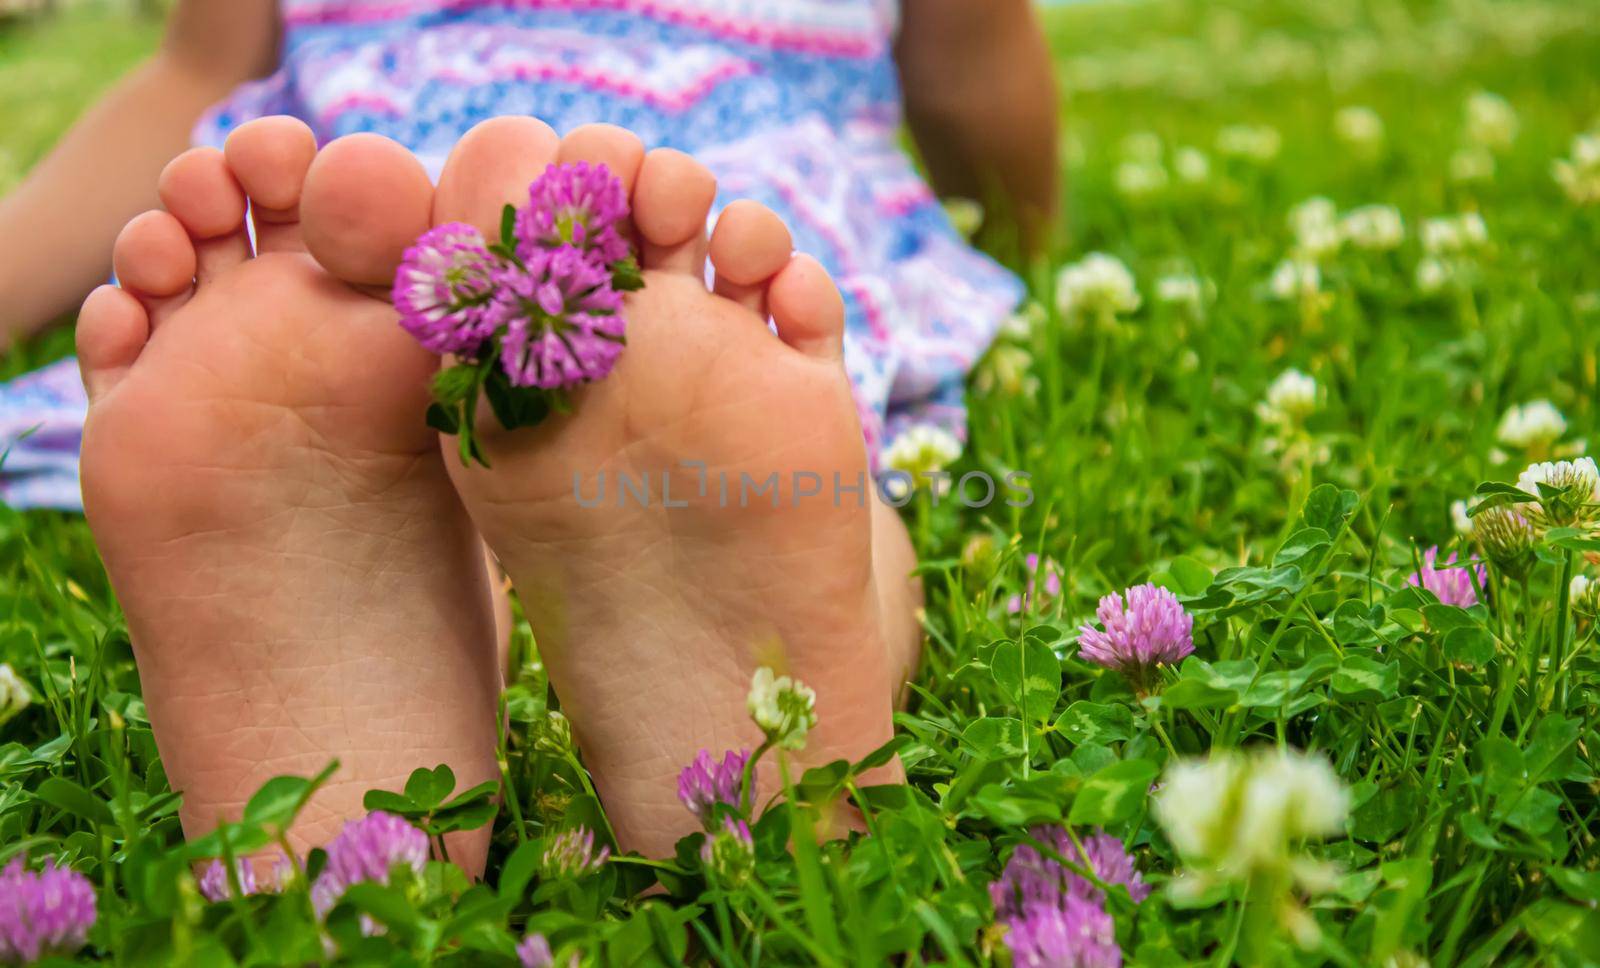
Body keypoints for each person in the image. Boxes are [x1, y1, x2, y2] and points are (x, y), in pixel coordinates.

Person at [0, 0, 1057, 870]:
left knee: (685, 396)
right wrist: (1005, 240)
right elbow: (974, 75)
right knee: (782, 438)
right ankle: (771, 745)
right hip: (709, 194)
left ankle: (373, 783)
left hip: (341, 213)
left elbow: (194, 70)